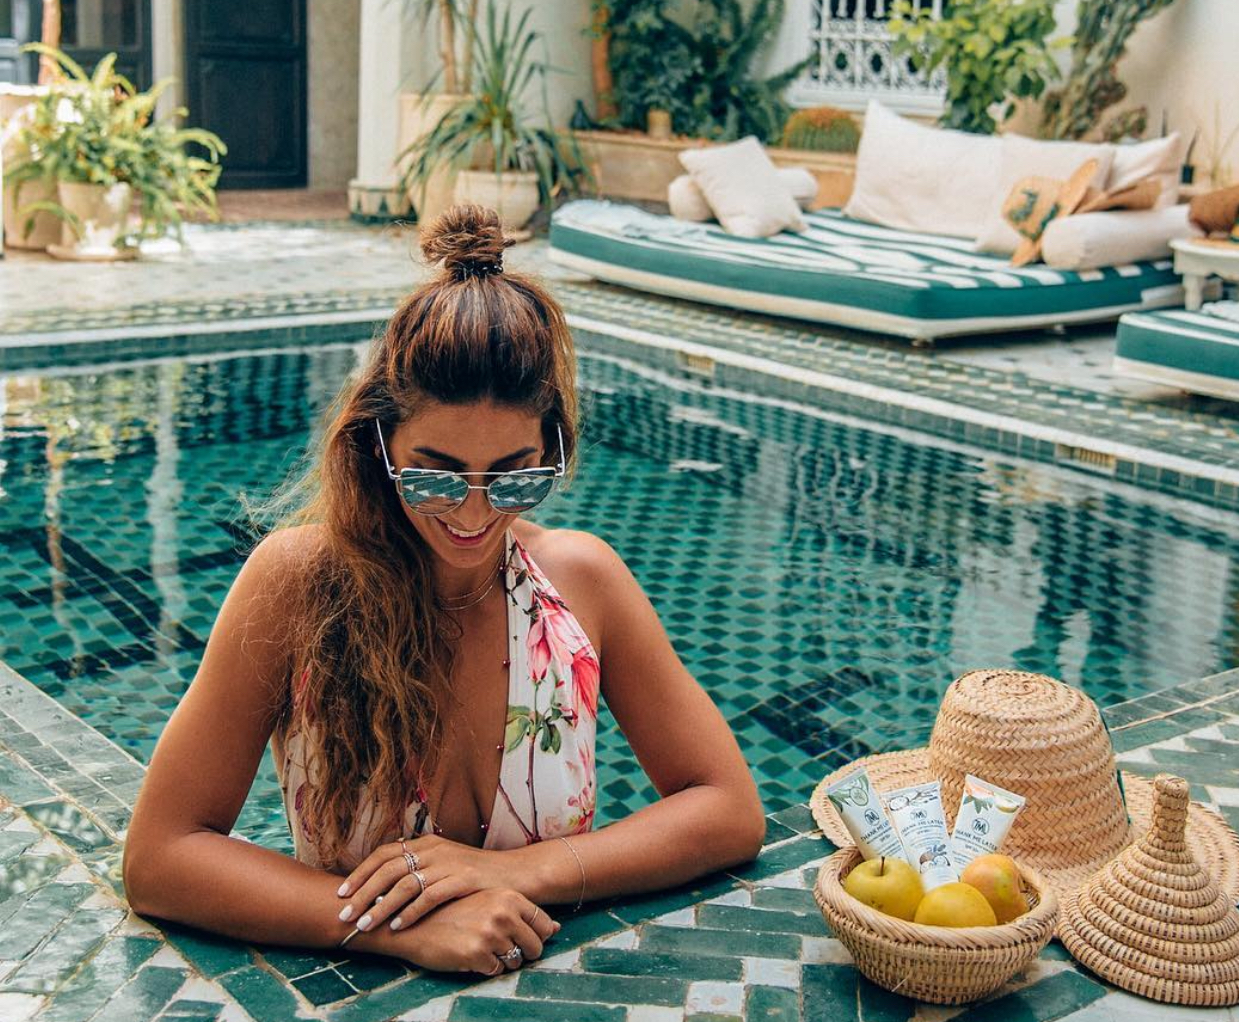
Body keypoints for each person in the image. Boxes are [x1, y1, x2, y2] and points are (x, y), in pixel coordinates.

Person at [123, 204, 765, 977]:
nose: (473, 511)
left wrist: (518, 871)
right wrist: (387, 928)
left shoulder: (581, 582)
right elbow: (161, 855)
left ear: (553, 445)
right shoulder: (297, 586)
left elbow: (729, 808)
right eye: (433, 473)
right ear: (378, 441)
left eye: (515, 475)